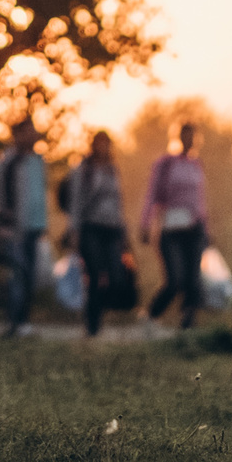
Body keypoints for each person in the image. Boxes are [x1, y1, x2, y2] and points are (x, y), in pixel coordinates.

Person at [138, 122, 211, 330]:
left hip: (194, 229)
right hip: (170, 230)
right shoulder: (165, 164)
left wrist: (206, 229)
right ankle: (150, 315)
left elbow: (201, 201)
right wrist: (145, 223)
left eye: (192, 137)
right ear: (177, 138)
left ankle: (188, 326)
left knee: (193, 281)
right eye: (185, 136)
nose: (189, 141)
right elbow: (152, 195)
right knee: (174, 280)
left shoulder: (197, 165)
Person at [61, 131, 133, 338]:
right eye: (101, 143)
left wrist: (124, 231)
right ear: (93, 146)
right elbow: (75, 203)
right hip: (90, 228)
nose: (104, 148)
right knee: (93, 274)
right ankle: (92, 324)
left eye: (107, 144)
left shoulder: (113, 170)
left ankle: (100, 311)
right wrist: (73, 230)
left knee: (115, 274)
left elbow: (119, 202)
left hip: (112, 229)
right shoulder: (83, 170)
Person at [0, 119, 49, 335]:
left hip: (34, 227)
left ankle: (24, 321)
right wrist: (4, 222)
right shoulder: (9, 162)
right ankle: (14, 322)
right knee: (17, 274)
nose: (32, 135)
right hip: (15, 228)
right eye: (27, 132)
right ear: (17, 135)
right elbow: (1, 195)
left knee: (30, 276)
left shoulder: (38, 160)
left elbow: (40, 193)